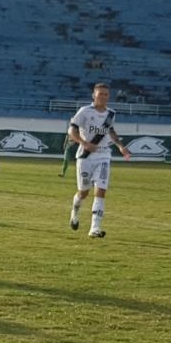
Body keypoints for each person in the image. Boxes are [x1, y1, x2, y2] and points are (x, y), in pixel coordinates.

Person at [68, 83, 131, 238]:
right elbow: (72, 130)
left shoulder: (111, 114)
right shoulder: (84, 111)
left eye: (106, 94)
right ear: (93, 95)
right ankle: (75, 212)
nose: (103, 97)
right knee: (83, 193)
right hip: (85, 156)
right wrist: (84, 143)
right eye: (100, 93)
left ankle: (95, 228)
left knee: (101, 190)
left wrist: (120, 146)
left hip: (104, 156)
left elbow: (110, 131)